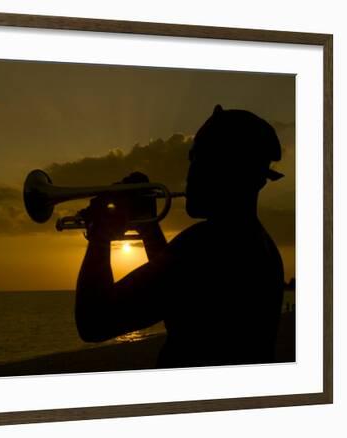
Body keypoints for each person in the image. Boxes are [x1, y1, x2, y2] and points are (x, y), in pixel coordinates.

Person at [75, 105, 285, 368]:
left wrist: (100, 235)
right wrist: (149, 229)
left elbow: (94, 322)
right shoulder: (260, 244)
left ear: (228, 169)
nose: (190, 174)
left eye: (199, 159)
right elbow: (178, 303)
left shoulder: (206, 244)